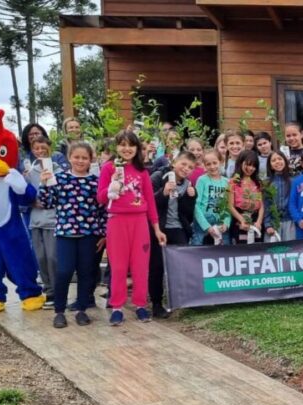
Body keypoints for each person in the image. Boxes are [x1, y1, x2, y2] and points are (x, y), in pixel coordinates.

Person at [97, 130, 167, 325]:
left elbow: (151, 202)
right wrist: (111, 188)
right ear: (116, 147)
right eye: (122, 144)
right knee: (118, 266)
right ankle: (117, 307)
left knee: (140, 266)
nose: (126, 149)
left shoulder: (142, 171)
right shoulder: (109, 168)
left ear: (137, 149)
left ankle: (140, 305)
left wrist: (156, 229)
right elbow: (100, 198)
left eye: (131, 145)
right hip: (117, 221)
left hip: (139, 222)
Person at [38, 142, 105, 328]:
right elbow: (47, 202)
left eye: (84, 157)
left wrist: (103, 234)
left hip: (89, 234)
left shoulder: (95, 182)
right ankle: (59, 311)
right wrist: (44, 184)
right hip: (66, 234)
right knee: (64, 272)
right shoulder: (59, 178)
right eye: (77, 157)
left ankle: (82, 309)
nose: (80, 161)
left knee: (86, 272)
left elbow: (102, 210)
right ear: (69, 158)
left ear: (90, 159)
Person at [148, 151, 197, 318]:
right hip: (158, 228)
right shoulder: (157, 176)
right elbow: (148, 202)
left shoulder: (188, 184)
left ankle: (181, 300)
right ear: (174, 162)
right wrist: (164, 192)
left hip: (178, 228)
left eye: (190, 167)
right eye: (183, 164)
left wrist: (191, 197)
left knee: (181, 265)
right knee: (157, 266)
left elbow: (188, 214)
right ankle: (156, 303)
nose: (186, 169)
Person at [24, 135, 62, 309]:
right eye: (36, 148)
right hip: (35, 221)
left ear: (49, 148)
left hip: (53, 220)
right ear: (32, 150)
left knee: (53, 257)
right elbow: (23, 196)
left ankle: (58, 291)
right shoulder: (30, 173)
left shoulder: (58, 170)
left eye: (43, 147)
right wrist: (31, 201)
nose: (40, 151)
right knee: (40, 258)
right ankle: (48, 291)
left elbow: (61, 195)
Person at [194, 149, 231, 246]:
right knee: (197, 250)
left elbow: (229, 205)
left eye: (215, 163)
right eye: (208, 164)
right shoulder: (202, 180)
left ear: (221, 162)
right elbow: (196, 205)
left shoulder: (227, 182)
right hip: (203, 223)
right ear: (204, 165)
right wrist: (206, 226)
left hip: (220, 222)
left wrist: (226, 223)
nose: (212, 167)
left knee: (224, 250)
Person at [228, 150, 264, 244]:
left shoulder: (258, 183)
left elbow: (261, 206)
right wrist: (242, 220)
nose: (251, 168)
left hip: (256, 221)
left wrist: (259, 222)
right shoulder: (233, 182)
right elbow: (230, 206)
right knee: (242, 250)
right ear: (240, 163)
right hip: (240, 219)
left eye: (254, 166)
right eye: (248, 164)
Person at [263, 150, 295, 241]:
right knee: (272, 252)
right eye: (273, 160)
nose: (277, 162)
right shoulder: (267, 183)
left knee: (290, 250)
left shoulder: (293, 180)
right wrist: (267, 224)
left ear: (285, 161)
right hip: (273, 224)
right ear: (270, 166)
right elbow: (266, 205)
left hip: (290, 221)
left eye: (280, 159)